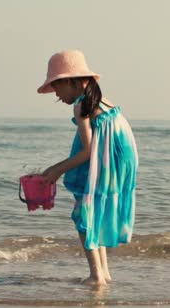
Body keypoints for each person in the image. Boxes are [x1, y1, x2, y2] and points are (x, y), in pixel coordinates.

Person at [37, 50, 138, 287]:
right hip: (122, 159)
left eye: (57, 89)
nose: (58, 96)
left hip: (105, 158)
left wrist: (57, 169)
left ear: (71, 81)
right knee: (96, 210)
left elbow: (87, 150)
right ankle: (104, 272)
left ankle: (96, 276)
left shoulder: (82, 106)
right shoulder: (105, 102)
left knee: (85, 212)